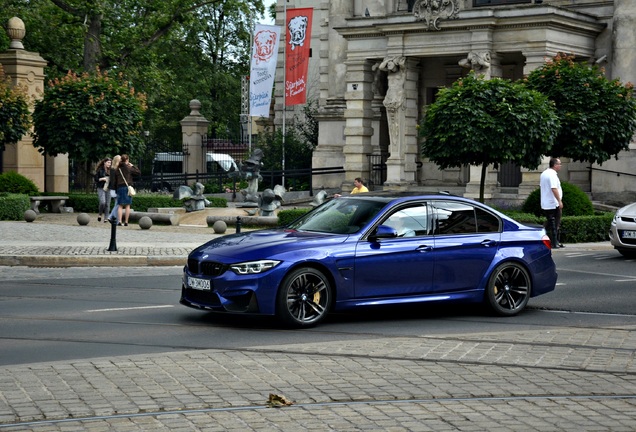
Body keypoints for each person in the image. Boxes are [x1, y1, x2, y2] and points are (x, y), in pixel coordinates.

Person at [540, 157, 564, 248]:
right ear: (555, 165)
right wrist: (559, 201)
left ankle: (554, 241)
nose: (560, 166)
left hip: (546, 202)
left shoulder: (544, 173)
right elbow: (554, 189)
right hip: (553, 203)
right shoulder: (552, 175)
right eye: (559, 164)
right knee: (555, 223)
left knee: (550, 223)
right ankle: (554, 242)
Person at [113, 154, 140, 226]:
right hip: (127, 187)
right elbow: (138, 172)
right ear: (127, 160)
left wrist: (116, 189)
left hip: (119, 188)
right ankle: (126, 222)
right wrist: (132, 165)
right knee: (127, 205)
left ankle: (119, 221)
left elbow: (115, 181)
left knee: (120, 205)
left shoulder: (117, 169)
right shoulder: (129, 168)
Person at [94, 157, 111, 223]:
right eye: (108, 162)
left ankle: (106, 218)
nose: (109, 164)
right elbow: (96, 179)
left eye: (110, 163)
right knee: (102, 202)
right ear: (104, 162)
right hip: (101, 187)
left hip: (108, 188)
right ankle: (100, 214)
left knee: (107, 203)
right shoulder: (100, 170)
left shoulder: (111, 170)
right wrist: (102, 179)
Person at [107, 155, 121, 224]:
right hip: (115, 189)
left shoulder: (112, 168)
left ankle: (116, 219)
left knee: (117, 204)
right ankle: (111, 217)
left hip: (112, 188)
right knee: (118, 204)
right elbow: (114, 181)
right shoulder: (116, 169)